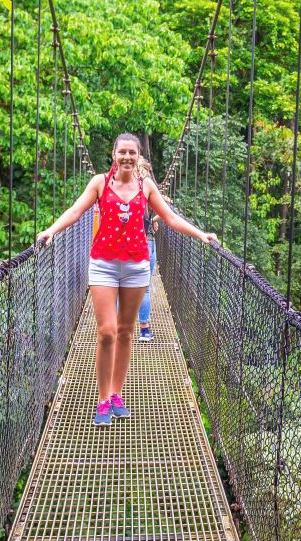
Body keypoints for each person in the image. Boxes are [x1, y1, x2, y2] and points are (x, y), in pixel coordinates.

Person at [36, 132, 216, 426]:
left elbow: (170, 218)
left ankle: (117, 395)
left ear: (139, 156)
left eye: (133, 153)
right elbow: (76, 210)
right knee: (106, 331)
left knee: (126, 332)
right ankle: (102, 399)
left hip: (136, 267)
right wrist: (51, 230)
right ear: (114, 154)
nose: (128, 157)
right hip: (104, 265)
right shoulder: (99, 183)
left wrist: (201, 235)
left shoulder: (146, 187)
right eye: (123, 152)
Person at [136, 156, 159, 342]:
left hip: (126, 246)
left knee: (120, 286)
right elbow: (166, 211)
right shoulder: (149, 187)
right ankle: (144, 329)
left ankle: (121, 328)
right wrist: (152, 220)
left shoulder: (123, 187)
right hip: (148, 242)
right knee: (144, 289)